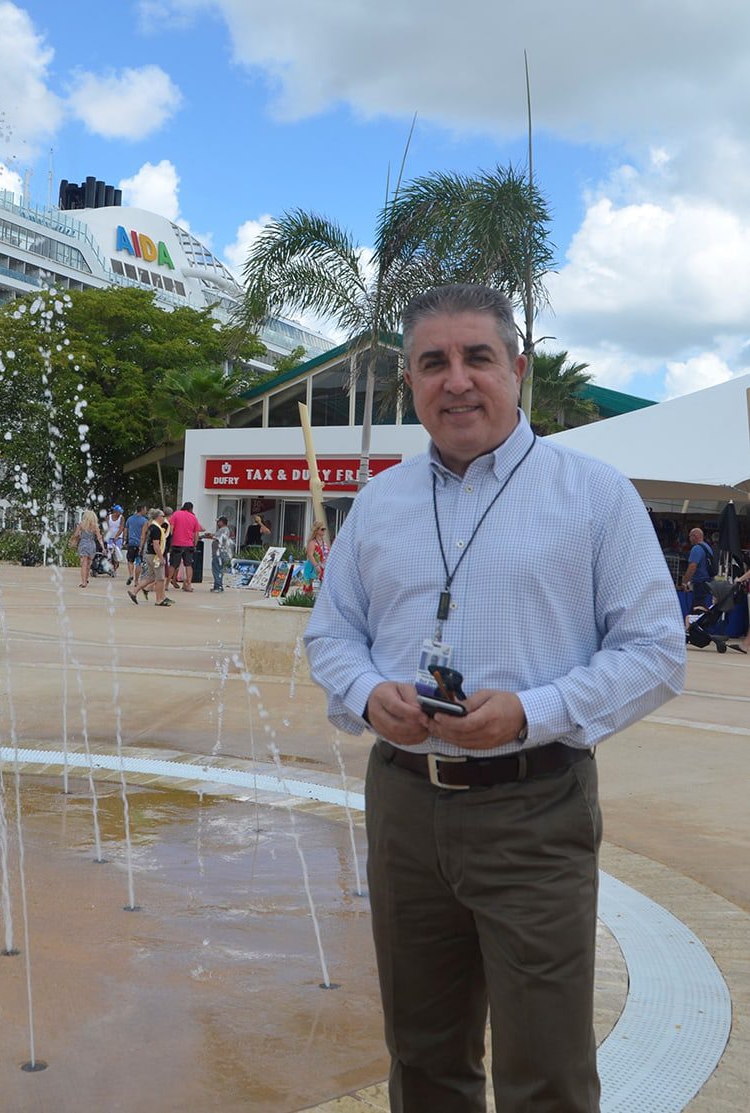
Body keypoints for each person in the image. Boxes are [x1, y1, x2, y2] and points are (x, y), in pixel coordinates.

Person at [304, 283, 685, 1113]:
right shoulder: (378, 504)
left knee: (544, 1067)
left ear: (517, 368)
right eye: (432, 362)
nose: (457, 380)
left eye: (477, 357)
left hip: (534, 807)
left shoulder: (591, 495)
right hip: (405, 804)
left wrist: (532, 710)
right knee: (423, 1056)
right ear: (410, 382)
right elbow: (330, 634)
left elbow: (656, 649)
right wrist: (368, 693)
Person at [129, 508, 171, 606]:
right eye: (162, 516)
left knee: (151, 577)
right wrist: (161, 557)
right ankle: (159, 599)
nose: (164, 518)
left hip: (149, 554)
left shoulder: (152, 526)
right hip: (154, 556)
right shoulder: (156, 528)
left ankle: (134, 592)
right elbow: (156, 544)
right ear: (158, 517)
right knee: (160, 578)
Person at [167, 502, 206, 592]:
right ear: (191, 508)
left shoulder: (176, 514)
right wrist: (195, 545)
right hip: (189, 545)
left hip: (177, 543)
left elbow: (171, 529)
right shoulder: (193, 517)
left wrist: (171, 541)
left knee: (173, 564)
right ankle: (188, 584)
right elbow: (196, 534)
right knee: (188, 565)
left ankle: (166, 583)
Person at [682, 527, 715, 608]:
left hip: (700, 582)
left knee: (697, 606)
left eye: (690, 536)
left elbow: (692, 566)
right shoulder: (707, 547)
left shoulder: (696, 548)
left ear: (695, 536)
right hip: (708, 581)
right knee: (702, 605)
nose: (689, 539)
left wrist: (685, 581)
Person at [71, 509, 103, 589]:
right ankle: (86, 578)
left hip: (83, 544)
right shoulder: (95, 526)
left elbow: (76, 534)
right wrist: (103, 547)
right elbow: (99, 538)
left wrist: (74, 539)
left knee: (83, 564)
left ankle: (83, 582)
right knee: (88, 563)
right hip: (92, 544)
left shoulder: (81, 524)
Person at [299, 521, 329, 593]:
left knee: (324, 588)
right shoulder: (312, 542)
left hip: (322, 566)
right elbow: (310, 555)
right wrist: (316, 566)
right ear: (317, 530)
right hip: (312, 567)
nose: (324, 531)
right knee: (308, 588)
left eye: (324, 529)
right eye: (322, 529)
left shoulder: (324, 541)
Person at [124, 503, 148, 586]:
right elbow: (143, 534)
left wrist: (125, 540)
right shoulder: (144, 521)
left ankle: (131, 575)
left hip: (131, 542)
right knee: (138, 562)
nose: (146, 511)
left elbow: (126, 530)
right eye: (145, 509)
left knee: (130, 561)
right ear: (142, 510)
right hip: (139, 544)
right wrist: (141, 545)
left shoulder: (130, 519)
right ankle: (136, 581)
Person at [209, 516, 234, 592]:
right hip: (220, 553)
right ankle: (217, 585)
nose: (217, 523)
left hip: (219, 553)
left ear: (222, 522)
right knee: (218, 569)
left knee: (217, 569)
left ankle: (218, 586)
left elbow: (219, 538)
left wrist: (211, 536)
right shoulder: (223, 530)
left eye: (218, 521)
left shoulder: (224, 529)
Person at [104, 504, 125, 571]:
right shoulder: (109, 517)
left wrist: (117, 536)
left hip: (118, 537)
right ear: (115, 512)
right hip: (110, 536)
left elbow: (121, 527)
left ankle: (116, 564)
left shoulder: (121, 518)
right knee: (109, 551)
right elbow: (107, 527)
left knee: (117, 551)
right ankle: (110, 564)